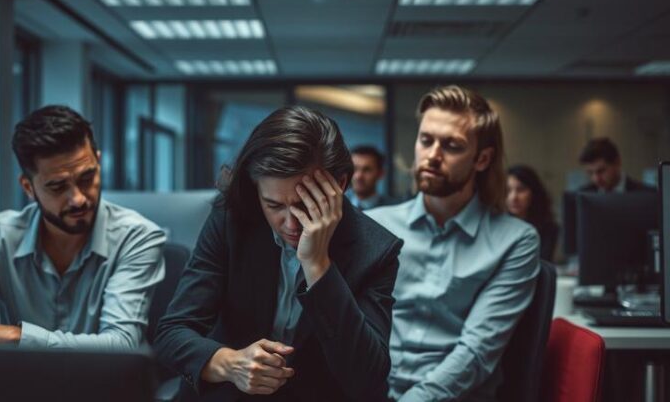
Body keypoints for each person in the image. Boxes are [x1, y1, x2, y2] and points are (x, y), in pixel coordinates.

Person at [152, 106, 402, 401]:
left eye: (303, 205)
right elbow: (172, 333)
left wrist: (318, 265)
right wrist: (230, 364)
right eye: (274, 205)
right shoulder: (231, 217)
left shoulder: (375, 250)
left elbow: (367, 376)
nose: (291, 224)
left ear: (340, 185)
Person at [367, 85, 540, 401]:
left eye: (452, 146)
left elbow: (477, 351)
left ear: (482, 159)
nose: (432, 156)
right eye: (426, 140)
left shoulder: (516, 240)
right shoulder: (376, 225)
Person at [0, 105, 166, 349]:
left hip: (104, 384)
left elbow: (121, 345)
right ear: (28, 188)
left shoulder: (138, 237)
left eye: (87, 178)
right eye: (58, 187)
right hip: (17, 383)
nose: (78, 198)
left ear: (99, 163)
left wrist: (13, 336)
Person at [506, 164, 559, 262]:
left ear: (534, 193)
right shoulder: (495, 225)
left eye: (521, 190)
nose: (513, 197)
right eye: (508, 190)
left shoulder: (548, 228)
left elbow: (543, 262)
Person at [578, 137, 653, 193]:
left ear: (617, 162)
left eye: (601, 171)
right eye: (590, 173)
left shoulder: (647, 194)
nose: (596, 179)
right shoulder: (581, 195)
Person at [347, 145, 396, 210]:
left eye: (367, 170)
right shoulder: (339, 206)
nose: (358, 176)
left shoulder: (392, 208)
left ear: (381, 173)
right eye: (355, 169)